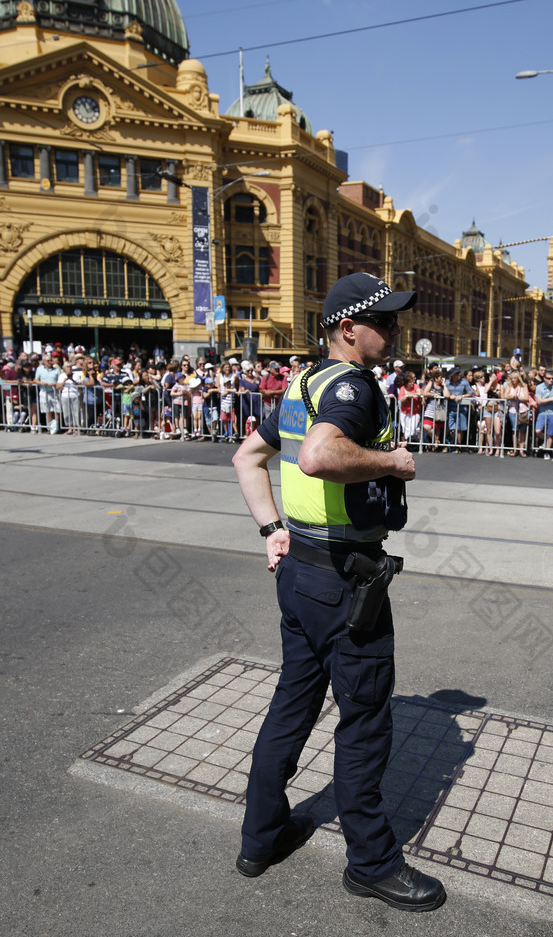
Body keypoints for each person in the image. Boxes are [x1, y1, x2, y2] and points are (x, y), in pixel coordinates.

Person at [231, 272, 446, 912]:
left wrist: (272, 530)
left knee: (292, 706)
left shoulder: (304, 381)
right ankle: (372, 863)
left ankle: (261, 836)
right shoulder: (353, 386)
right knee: (365, 720)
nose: (396, 331)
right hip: (345, 581)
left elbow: (248, 457)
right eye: (384, 321)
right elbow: (322, 456)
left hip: (299, 571)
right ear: (348, 329)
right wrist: (395, 462)